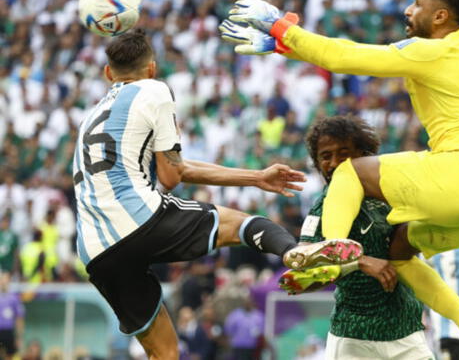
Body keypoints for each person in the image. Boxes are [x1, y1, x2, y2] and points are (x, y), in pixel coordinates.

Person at [221, 0, 459, 358]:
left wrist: (284, 28)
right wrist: (283, 46)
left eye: (419, 4)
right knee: (399, 253)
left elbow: (344, 56)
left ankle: (330, 248)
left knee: (351, 174)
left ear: (440, 16)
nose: (409, 10)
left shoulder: (434, 50)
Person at [72, 30, 307, 360]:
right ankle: (297, 255)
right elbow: (171, 175)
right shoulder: (154, 89)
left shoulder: (91, 115)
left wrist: (255, 177)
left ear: (108, 73)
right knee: (245, 225)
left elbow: (175, 166)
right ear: (152, 68)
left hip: (95, 250)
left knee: (164, 354)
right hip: (138, 217)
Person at [280, 115, 435, 360]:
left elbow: (436, 208)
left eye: (344, 153)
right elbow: (304, 264)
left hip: (406, 332)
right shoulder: (321, 209)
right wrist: (359, 261)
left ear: (363, 156)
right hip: (353, 337)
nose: (334, 163)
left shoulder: (390, 193)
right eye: (325, 156)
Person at [0, 272, 24, 359]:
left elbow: (19, 318)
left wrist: (19, 337)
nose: (3, 282)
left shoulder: (14, 298)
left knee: (10, 355)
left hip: (8, 331)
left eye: (6, 279)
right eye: (2, 279)